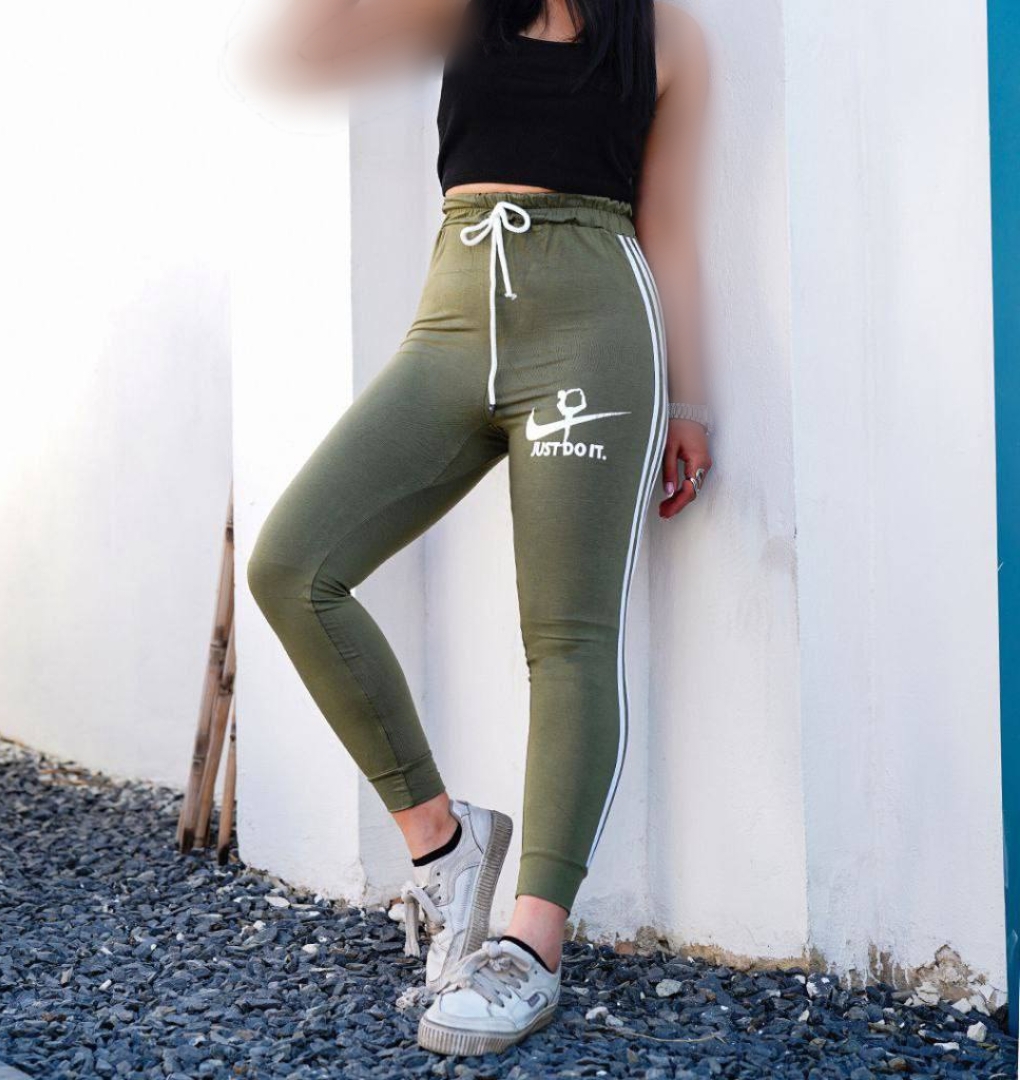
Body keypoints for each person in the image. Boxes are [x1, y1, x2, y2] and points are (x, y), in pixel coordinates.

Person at [245, 0, 712, 1055]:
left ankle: (530, 943)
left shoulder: (666, 36)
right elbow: (311, 44)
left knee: (568, 635)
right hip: (455, 317)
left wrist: (689, 400)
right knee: (294, 565)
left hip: (594, 325)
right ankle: (444, 845)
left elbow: (672, 224)